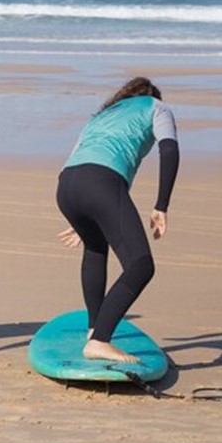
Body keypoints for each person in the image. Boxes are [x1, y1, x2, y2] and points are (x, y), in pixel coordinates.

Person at [55, 76, 180, 364]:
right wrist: (162, 205)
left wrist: (82, 214)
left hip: (67, 186)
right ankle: (99, 341)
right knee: (140, 265)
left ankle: (93, 328)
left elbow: (79, 160)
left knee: (96, 248)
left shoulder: (101, 115)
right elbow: (169, 150)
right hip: (101, 184)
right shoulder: (158, 108)